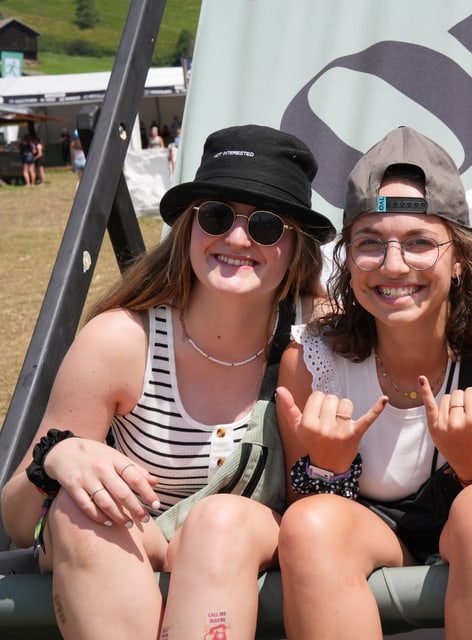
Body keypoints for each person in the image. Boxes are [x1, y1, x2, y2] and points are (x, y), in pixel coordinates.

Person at [0, 123, 335, 639]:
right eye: (217, 216)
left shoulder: (318, 335)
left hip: (245, 546)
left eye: (267, 225)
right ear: (189, 226)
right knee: (79, 511)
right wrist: (55, 458)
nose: (237, 238)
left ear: (296, 247)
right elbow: (20, 520)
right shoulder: (122, 340)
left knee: (220, 524)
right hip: (131, 549)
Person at [275, 126, 472, 639]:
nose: (393, 265)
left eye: (419, 242)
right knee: (309, 523)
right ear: (348, 260)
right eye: (369, 244)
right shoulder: (313, 361)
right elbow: (303, 505)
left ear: (459, 260)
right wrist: (330, 471)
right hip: (378, 535)